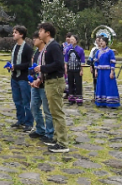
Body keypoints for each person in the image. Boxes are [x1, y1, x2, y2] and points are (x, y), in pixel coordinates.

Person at [38, 22, 69, 153]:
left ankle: (63, 143)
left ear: (47, 33)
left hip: (55, 82)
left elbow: (58, 63)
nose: (39, 33)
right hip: (49, 81)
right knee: (53, 112)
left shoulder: (54, 46)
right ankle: (57, 139)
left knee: (57, 113)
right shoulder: (48, 47)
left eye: (41, 31)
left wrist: (42, 68)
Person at [28, 32, 54, 143]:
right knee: (33, 106)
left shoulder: (46, 52)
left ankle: (50, 132)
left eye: (36, 38)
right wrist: (32, 79)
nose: (34, 41)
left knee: (47, 110)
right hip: (35, 84)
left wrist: (40, 79)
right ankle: (40, 129)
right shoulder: (36, 53)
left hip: (44, 84)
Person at [7, 25, 34, 130]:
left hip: (23, 77)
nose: (13, 34)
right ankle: (20, 119)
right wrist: (10, 66)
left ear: (21, 34)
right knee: (17, 100)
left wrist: (16, 66)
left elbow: (29, 63)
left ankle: (29, 122)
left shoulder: (27, 48)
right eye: (13, 32)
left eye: (15, 32)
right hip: (14, 77)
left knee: (26, 101)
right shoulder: (15, 47)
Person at [90, 35, 119, 109]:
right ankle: (101, 102)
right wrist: (96, 71)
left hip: (108, 71)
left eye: (102, 41)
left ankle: (111, 102)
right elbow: (96, 62)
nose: (101, 43)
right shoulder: (98, 52)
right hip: (101, 72)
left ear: (106, 42)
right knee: (101, 85)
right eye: (100, 42)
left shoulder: (110, 51)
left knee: (109, 86)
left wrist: (112, 72)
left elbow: (112, 62)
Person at [64, 34, 86, 106]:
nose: (71, 40)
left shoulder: (80, 49)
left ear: (76, 41)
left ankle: (79, 99)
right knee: (70, 84)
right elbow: (66, 60)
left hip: (77, 69)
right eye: (71, 39)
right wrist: (66, 68)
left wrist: (81, 70)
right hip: (70, 69)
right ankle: (71, 99)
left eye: (73, 39)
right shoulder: (68, 49)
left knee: (78, 84)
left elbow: (82, 61)